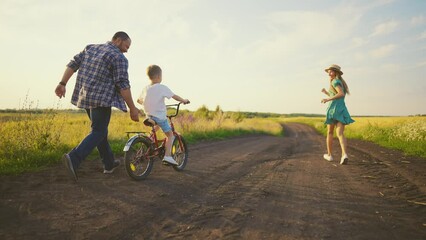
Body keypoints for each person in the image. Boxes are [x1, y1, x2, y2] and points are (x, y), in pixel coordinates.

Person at [55, 31, 140, 181]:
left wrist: (62, 83)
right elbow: (123, 85)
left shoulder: (91, 48)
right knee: (99, 131)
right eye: (126, 46)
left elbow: (73, 64)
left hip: (86, 97)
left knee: (100, 132)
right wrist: (132, 108)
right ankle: (73, 158)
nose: (127, 50)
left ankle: (109, 164)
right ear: (118, 40)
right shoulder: (119, 57)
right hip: (101, 99)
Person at [137, 65, 189, 165]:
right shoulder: (162, 87)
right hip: (159, 116)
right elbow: (174, 96)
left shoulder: (146, 88)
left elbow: (139, 100)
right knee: (170, 135)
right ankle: (168, 156)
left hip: (149, 116)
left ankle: (149, 141)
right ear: (158, 76)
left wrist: (149, 102)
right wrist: (183, 100)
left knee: (155, 127)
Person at [321, 64, 354, 165]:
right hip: (341, 109)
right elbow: (336, 95)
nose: (329, 74)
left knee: (330, 133)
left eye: (331, 71)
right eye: (328, 72)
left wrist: (327, 99)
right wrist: (327, 93)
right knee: (340, 134)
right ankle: (344, 155)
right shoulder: (339, 82)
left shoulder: (335, 81)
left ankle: (330, 155)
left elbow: (341, 94)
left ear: (336, 72)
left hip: (333, 110)